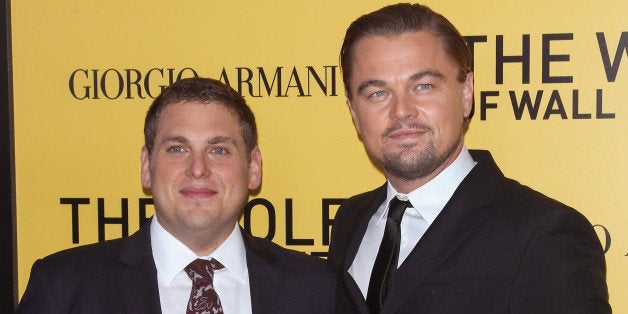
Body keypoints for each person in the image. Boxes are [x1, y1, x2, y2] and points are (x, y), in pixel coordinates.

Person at [327, 3, 610, 313]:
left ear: (466, 94)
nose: (401, 110)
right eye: (377, 93)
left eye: (423, 86)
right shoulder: (350, 220)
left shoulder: (544, 236)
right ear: (354, 113)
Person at [17, 77, 335, 314]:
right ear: (146, 165)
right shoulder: (63, 288)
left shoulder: (316, 289)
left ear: (253, 168)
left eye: (219, 149)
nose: (198, 169)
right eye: (177, 149)